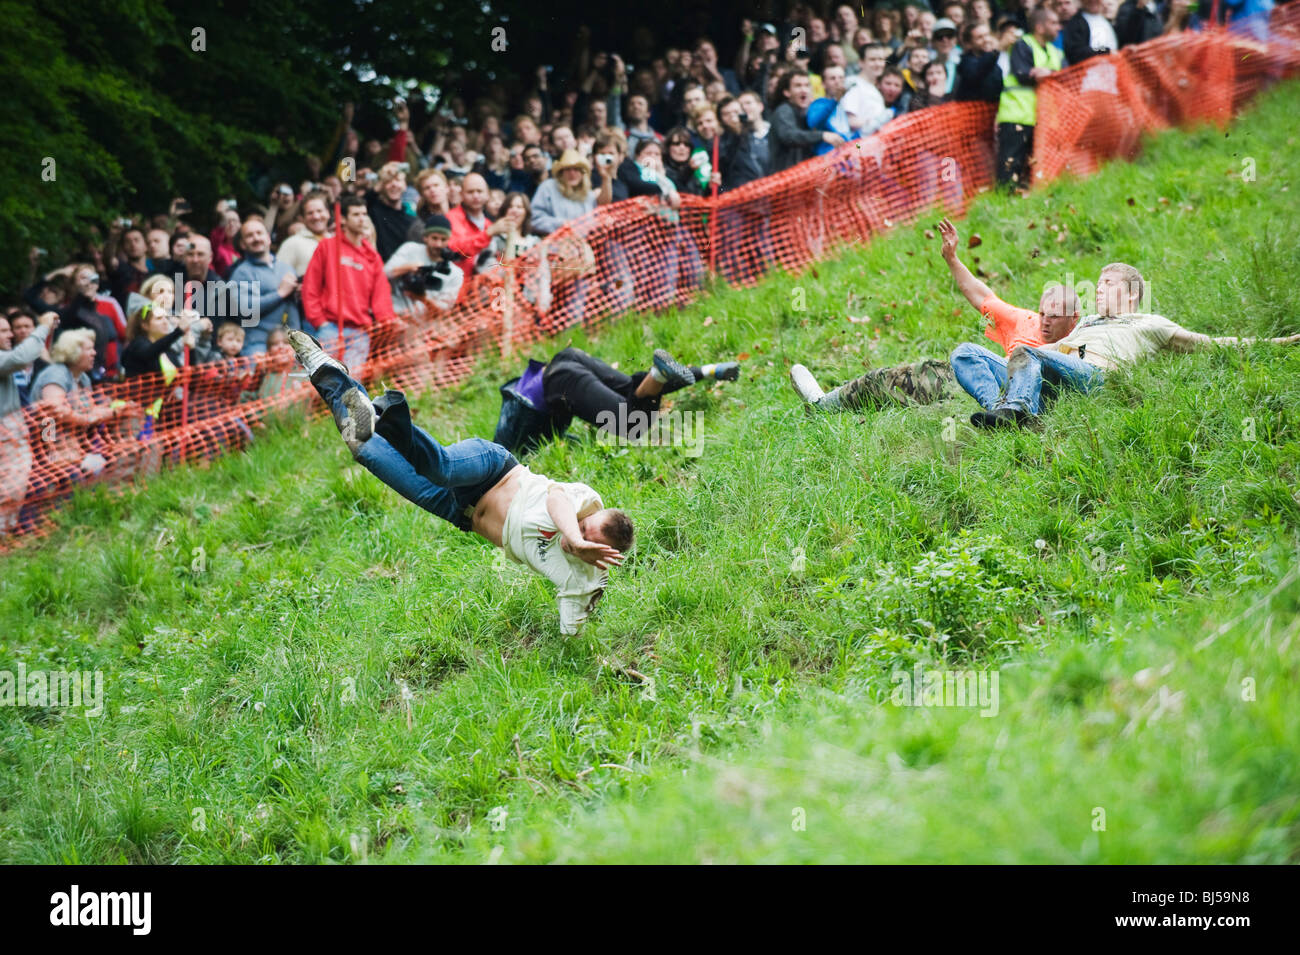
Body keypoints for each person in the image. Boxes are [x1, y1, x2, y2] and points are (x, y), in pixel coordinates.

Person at [288, 329, 631, 635]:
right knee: (442, 467)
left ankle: (327, 373)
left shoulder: (581, 580)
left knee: (364, 450)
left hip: (456, 509)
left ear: (604, 559)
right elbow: (557, 500)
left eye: (591, 544)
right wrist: (574, 536)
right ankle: (387, 411)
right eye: (587, 529)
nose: (582, 538)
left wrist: (588, 608)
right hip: (494, 470)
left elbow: (572, 629)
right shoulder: (585, 502)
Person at [789, 217, 1080, 413]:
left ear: (1074, 318)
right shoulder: (1024, 320)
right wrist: (951, 258)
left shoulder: (1081, 342)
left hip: (1027, 396)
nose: (1046, 320)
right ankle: (823, 405)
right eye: (1043, 312)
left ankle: (1001, 413)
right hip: (980, 379)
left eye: (1055, 316)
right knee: (893, 377)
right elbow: (981, 295)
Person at [971, 264, 1300, 429]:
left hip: (1098, 377)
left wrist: (1279, 342)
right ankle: (1002, 412)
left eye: (1108, 285)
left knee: (1031, 353)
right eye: (1097, 286)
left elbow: (1211, 344)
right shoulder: (1087, 322)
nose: (1099, 291)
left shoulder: (1150, 323)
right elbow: (1054, 350)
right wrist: (1015, 358)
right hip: (1062, 372)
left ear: (1131, 294)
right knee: (967, 354)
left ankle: (1021, 414)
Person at [495, 347, 740, 456]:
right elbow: (552, 437)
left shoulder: (507, 451)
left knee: (630, 424)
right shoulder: (506, 433)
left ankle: (658, 374)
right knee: (632, 391)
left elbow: (535, 444)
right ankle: (709, 370)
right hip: (565, 361)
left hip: (560, 382)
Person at [300, 194, 395, 370]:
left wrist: (387, 324)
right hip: (330, 328)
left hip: (360, 332)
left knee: (351, 387)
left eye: (364, 214)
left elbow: (381, 297)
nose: (362, 219)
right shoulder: (328, 246)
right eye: (356, 214)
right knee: (324, 385)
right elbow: (310, 287)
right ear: (342, 219)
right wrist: (320, 322)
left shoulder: (372, 256)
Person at [0, 311, 56, 532]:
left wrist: (47, 436)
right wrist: (42, 327)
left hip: (30, 428)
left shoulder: (43, 363)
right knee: (10, 486)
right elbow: (20, 358)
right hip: (12, 432)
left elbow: (45, 407)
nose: (12, 334)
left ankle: (13, 531)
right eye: (4, 330)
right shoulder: (13, 359)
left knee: (25, 481)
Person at [996, 9, 1065, 188]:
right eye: (1053, 23)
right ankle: (1005, 203)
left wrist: (1047, 73)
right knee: (1011, 165)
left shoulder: (1055, 52)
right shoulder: (1022, 44)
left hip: (1044, 119)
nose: (1059, 27)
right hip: (1017, 115)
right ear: (1039, 27)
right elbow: (1022, 74)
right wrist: (1039, 75)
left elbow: (1066, 76)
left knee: (1036, 166)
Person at [226, 217, 302, 354]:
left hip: (290, 342)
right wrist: (280, 294)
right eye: (250, 236)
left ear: (268, 238)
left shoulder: (286, 268)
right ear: (243, 244)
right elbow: (245, 309)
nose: (256, 238)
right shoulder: (241, 273)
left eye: (259, 233)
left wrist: (300, 295)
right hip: (259, 345)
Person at [384, 216, 465, 314]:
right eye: (434, 238)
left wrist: (423, 298)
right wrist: (407, 268)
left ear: (449, 240)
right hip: (398, 314)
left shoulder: (454, 273)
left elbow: (444, 310)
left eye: (443, 239)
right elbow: (383, 274)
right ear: (425, 237)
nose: (438, 244)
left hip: (426, 324)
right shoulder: (409, 249)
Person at [770, 70, 844, 173]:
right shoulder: (783, 110)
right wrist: (822, 135)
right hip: (783, 180)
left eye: (807, 85)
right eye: (798, 86)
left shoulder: (805, 112)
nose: (804, 90)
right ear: (786, 92)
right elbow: (789, 136)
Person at [531, 150, 601, 234]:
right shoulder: (548, 187)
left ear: (582, 173)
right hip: (554, 242)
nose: (572, 173)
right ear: (561, 173)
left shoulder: (588, 194)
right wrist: (561, 224)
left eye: (576, 169)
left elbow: (593, 221)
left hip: (583, 243)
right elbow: (534, 218)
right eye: (567, 169)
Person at [364, 162, 418, 261]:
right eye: (389, 181)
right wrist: (378, 186)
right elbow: (358, 206)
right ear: (381, 186)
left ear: (405, 185)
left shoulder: (411, 219)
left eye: (398, 180)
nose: (393, 184)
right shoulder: (373, 210)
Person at [278, 191, 332, 277]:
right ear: (302, 218)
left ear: (328, 213)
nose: (316, 216)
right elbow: (279, 275)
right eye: (310, 213)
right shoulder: (292, 243)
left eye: (320, 211)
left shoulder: (337, 241)